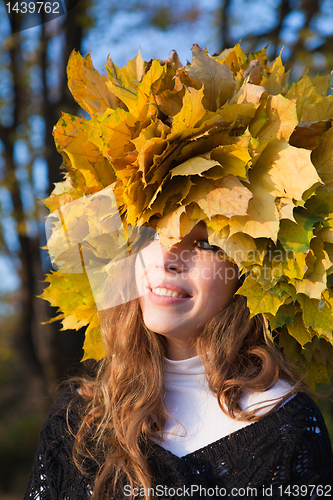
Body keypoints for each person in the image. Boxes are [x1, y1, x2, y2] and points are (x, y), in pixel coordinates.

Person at [25, 43, 333, 499]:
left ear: (255, 269)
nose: (167, 257)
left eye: (204, 244)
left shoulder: (287, 428)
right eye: (152, 233)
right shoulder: (78, 421)